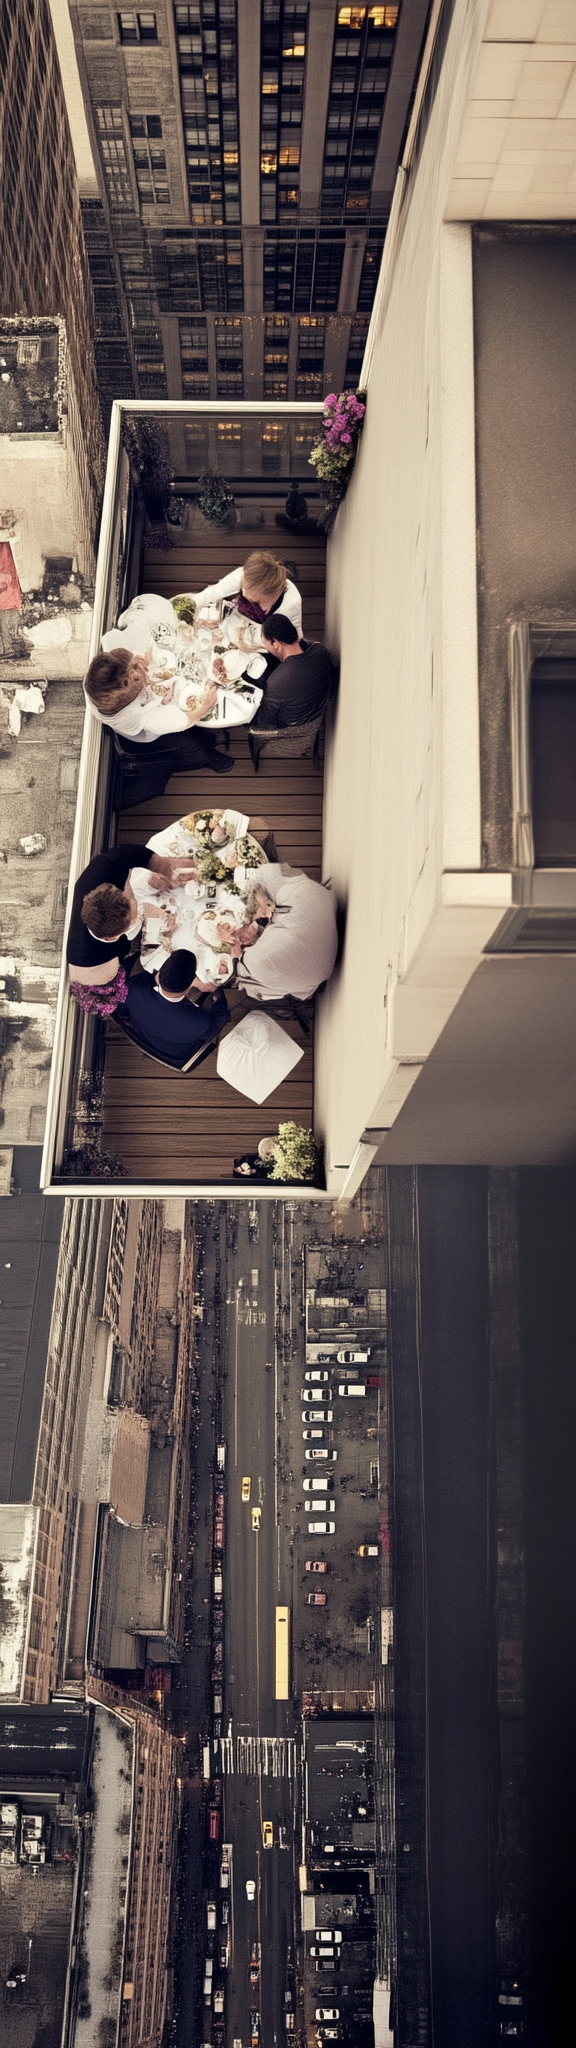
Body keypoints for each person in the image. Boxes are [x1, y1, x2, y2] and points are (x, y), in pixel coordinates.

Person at [66, 842, 198, 1005]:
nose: (134, 901)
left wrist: (163, 865)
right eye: (135, 914)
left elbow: (124, 854)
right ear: (115, 936)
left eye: (128, 900)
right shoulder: (98, 971)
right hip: (104, 974)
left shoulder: (98, 873)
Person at [231, 862, 338, 1003]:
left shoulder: (276, 891)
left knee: (253, 982)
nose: (265, 915)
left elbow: (242, 971)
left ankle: (302, 987)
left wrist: (237, 956)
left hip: (321, 971)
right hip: (325, 913)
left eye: (262, 910)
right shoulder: (291, 886)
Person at [120, 949, 229, 1061]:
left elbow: (146, 977)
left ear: (160, 973)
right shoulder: (197, 1022)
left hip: (146, 1037)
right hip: (178, 1053)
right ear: (192, 983)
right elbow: (220, 1019)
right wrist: (215, 991)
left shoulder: (133, 990)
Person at [251, 614, 335, 730]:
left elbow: (263, 723)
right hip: (314, 705)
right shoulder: (320, 650)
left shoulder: (277, 682)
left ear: (275, 644)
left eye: (265, 642)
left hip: (291, 728)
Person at [191, 550, 303, 637]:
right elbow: (212, 593)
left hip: (264, 647)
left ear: (271, 594)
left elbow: (292, 641)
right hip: (233, 628)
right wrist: (188, 606)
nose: (244, 595)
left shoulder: (291, 604)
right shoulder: (246, 575)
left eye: (256, 601)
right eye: (243, 590)